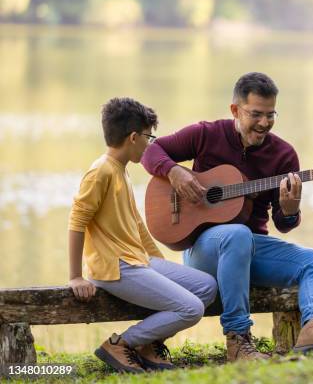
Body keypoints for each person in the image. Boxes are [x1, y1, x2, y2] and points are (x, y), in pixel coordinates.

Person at [142, 72, 313, 361]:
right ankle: (238, 340)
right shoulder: (206, 134)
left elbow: (284, 226)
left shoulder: (283, 155)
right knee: (237, 234)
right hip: (204, 252)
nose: (264, 123)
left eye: (271, 115)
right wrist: (174, 171)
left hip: (252, 248)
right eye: (256, 114)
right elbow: (151, 151)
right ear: (235, 110)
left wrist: (290, 209)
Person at [68, 98, 217, 373]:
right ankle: (120, 343)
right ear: (133, 137)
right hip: (114, 267)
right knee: (192, 309)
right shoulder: (100, 171)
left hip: (137, 260)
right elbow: (76, 221)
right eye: (149, 137)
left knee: (207, 286)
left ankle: (148, 344)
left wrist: (160, 263)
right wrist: (76, 276)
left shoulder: (120, 170)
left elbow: (137, 225)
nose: (150, 144)